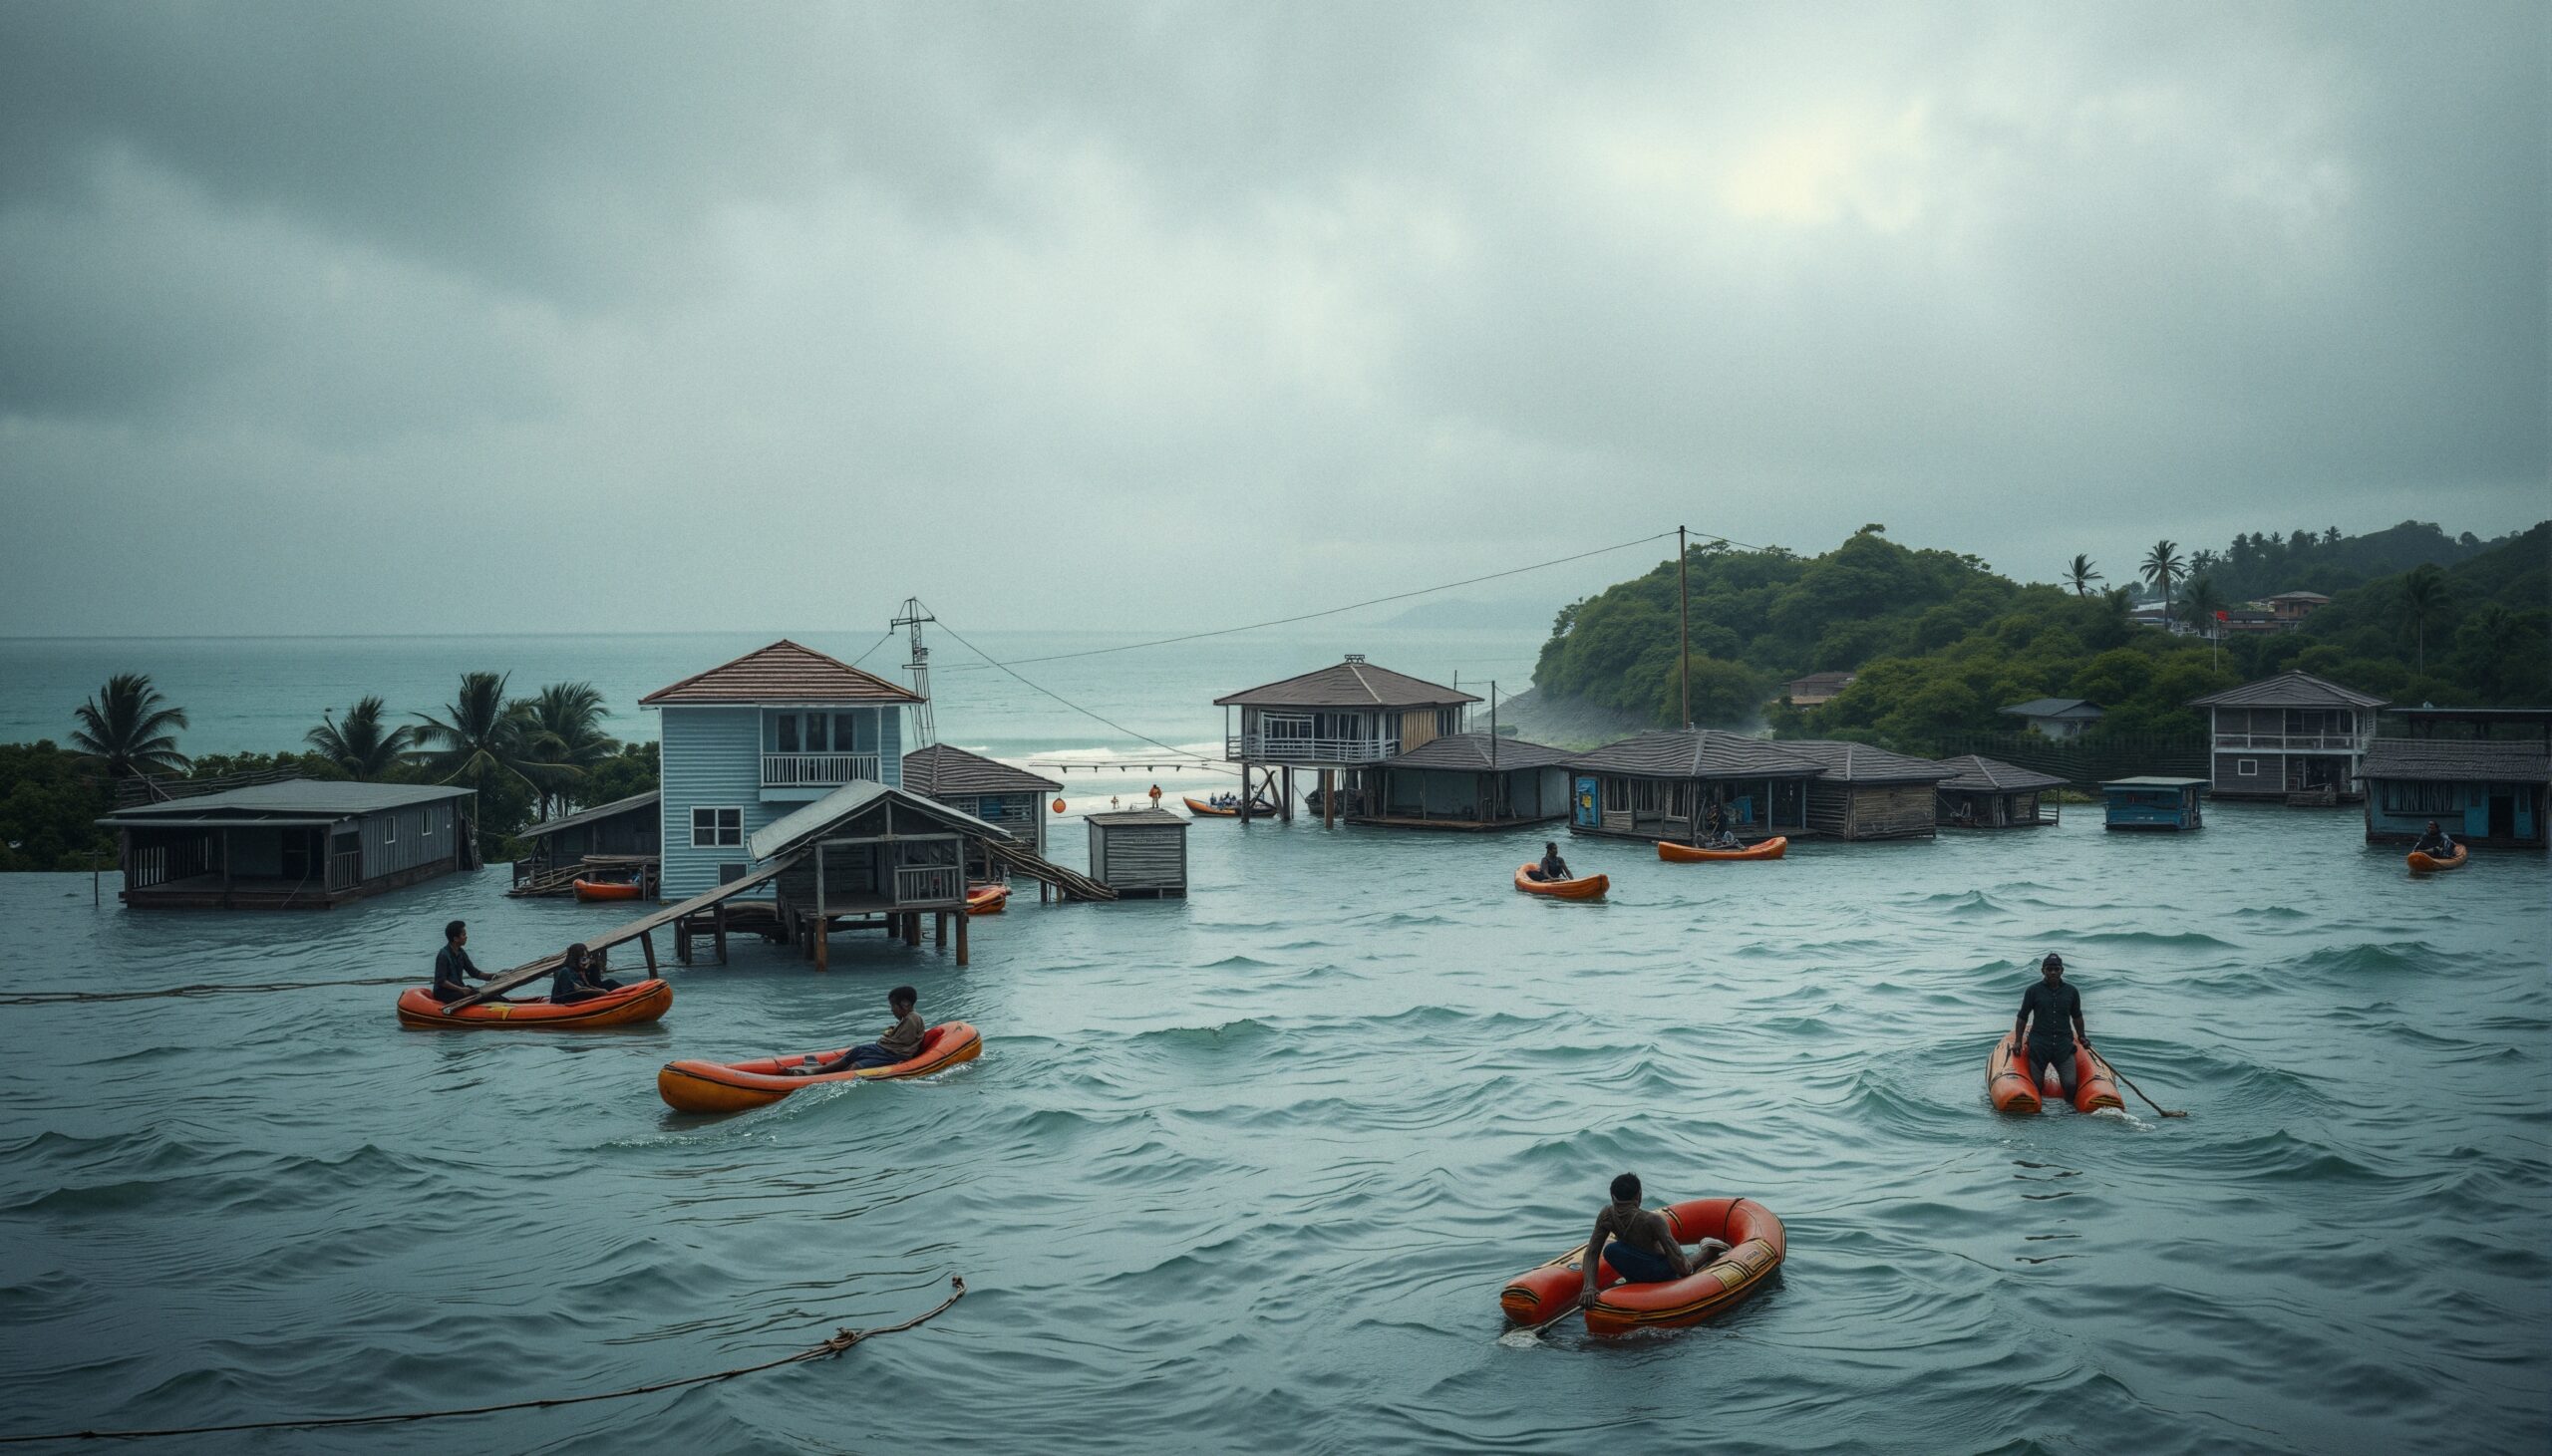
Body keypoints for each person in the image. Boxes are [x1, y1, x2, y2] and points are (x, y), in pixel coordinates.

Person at [1577, 1173, 1728, 1308]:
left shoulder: (1649, 1220)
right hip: (1643, 1265)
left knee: (1683, 1264)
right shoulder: (1610, 1216)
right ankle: (1635, 1279)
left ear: (1612, 1196)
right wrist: (1589, 1286)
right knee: (1612, 1250)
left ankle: (1708, 1251)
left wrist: (1686, 1276)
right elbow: (1591, 1253)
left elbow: (1682, 1266)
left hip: (1659, 1268)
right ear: (1639, 1196)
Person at [786, 986, 926, 1075]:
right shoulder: (906, 1018)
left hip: (892, 1056)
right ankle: (819, 1070)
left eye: (893, 1006)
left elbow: (900, 1045)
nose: (891, 1010)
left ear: (905, 1005)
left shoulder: (912, 1019)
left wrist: (887, 1038)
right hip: (883, 1051)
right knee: (856, 1051)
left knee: (857, 1065)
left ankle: (819, 1074)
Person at [2014, 953, 2089, 1102]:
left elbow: (2077, 1016)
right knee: (2036, 1084)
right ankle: (2037, 1114)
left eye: (2056, 969)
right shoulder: (2033, 991)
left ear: (2062, 970)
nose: (2053, 972)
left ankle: (2068, 1114)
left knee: (2070, 1084)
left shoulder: (2072, 991)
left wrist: (2082, 1036)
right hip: (2039, 1045)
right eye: (2049, 969)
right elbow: (2022, 1016)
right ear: (2043, 971)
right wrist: (2018, 1041)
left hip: (2063, 1045)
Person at [431, 920, 499, 1004]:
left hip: (459, 989)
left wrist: (496, 976)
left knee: (492, 995)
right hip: (444, 993)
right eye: (464, 935)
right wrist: (461, 989)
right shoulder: (443, 955)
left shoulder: (461, 952)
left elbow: (475, 973)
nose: (466, 937)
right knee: (484, 997)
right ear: (455, 938)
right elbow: (441, 981)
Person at [548, 942, 623, 1005]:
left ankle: (628, 994)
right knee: (601, 990)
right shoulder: (565, 971)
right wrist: (598, 992)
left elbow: (594, 984)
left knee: (610, 983)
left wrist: (593, 967)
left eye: (587, 958)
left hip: (578, 998)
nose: (586, 961)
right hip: (562, 1003)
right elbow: (568, 995)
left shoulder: (580, 971)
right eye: (583, 959)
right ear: (575, 959)